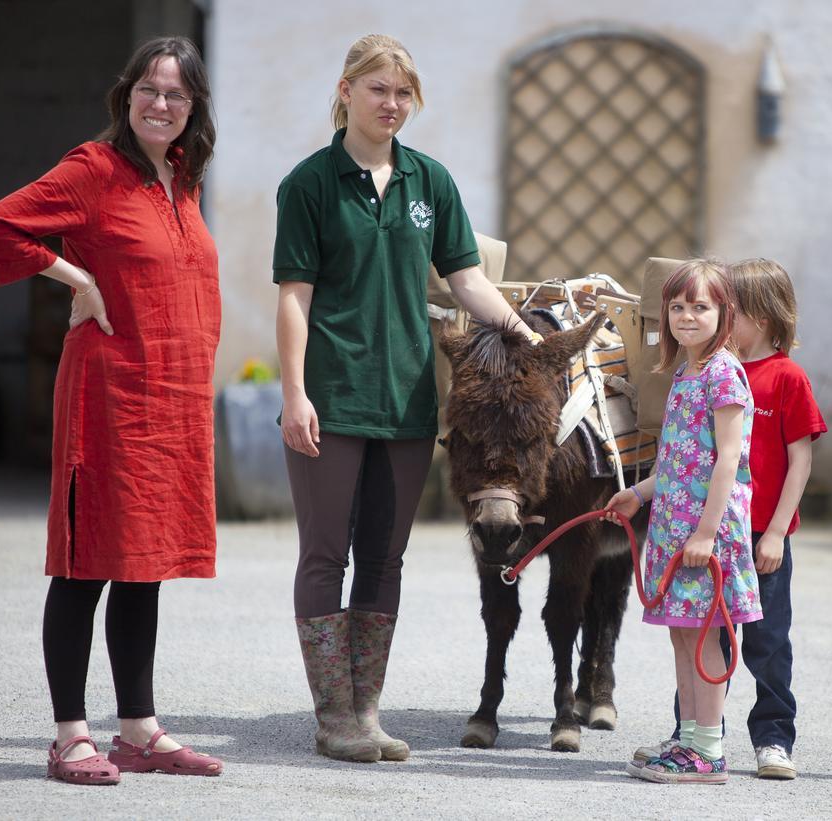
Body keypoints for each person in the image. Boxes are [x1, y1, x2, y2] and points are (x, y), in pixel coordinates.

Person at [273, 34, 539, 764]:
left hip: (409, 401)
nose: (391, 104)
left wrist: (529, 339)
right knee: (326, 553)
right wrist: (294, 392)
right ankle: (333, 717)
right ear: (347, 89)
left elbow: (467, 281)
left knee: (385, 558)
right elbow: (294, 298)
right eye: (378, 89)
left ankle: (366, 709)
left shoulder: (430, 182)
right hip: (331, 395)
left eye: (402, 93)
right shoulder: (309, 183)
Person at [0, 36, 224, 784]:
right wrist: (73, 274)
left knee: (143, 563)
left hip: (169, 399)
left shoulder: (181, 178)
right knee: (86, 562)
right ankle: (70, 734)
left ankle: (139, 729)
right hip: (109, 396)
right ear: (126, 96)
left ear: (193, 109)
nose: (160, 103)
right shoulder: (93, 169)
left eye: (176, 94)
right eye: (148, 88)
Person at [603, 259, 761, 785]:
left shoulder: (723, 372)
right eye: (678, 307)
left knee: (703, 637)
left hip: (704, 534)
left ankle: (709, 750)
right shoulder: (685, 372)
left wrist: (708, 533)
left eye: (700, 307)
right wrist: (639, 493)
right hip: (675, 530)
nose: (687, 317)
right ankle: (689, 736)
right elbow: (678, 461)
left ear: (724, 313)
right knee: (682, 634)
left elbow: (726, 460)